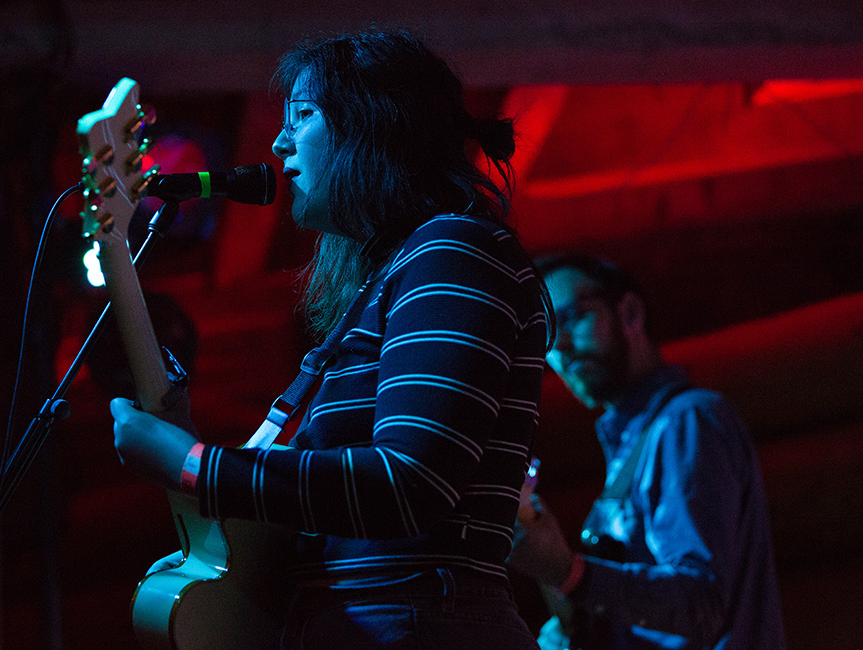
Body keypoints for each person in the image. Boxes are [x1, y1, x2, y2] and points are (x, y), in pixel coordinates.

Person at [110, 29, 554, 649]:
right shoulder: (396, 272)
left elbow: (411, 482)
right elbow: (324, 508)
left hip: (419, 622)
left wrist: (193, 465)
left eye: (302, 115)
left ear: (375, 125)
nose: (278, 141)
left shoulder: (452, 251)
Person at [507, 253, 786, 650]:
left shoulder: (686, 420)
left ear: (631, 313)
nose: (561, 346)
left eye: (573, 318)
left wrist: (571, 573)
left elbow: (702, 603)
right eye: (546, 336)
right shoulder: (635, 444)